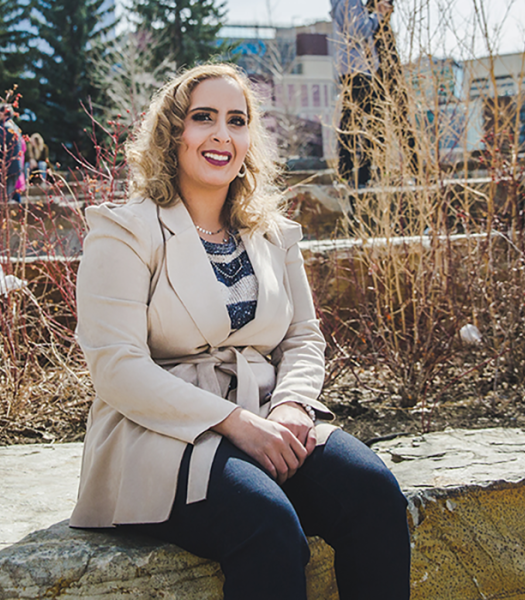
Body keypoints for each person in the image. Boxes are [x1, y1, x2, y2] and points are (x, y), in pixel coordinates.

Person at [71, 64, 411, 600]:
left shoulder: (273, 233)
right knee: (267, 526)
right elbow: (116, 366)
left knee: (373, 493)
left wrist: (292, 406)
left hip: (269, 413)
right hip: (165, 433)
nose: (221, 135)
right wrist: (233, 423)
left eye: (237, 120)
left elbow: (302, 336)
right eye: (203, 118)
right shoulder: (124, 230)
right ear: (173, 133)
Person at [332, 0, 419, 188]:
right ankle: (357, 175)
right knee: (370, 121)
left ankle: (352, 174)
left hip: (364, 67)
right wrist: (379, 15)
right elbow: (358, 31)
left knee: (356, 120)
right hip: (362, 69)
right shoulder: (351, 3)